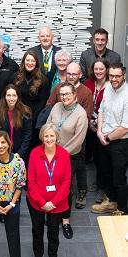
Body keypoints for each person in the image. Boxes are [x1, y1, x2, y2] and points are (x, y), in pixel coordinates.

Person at [47, 82, 88, 239]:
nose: (64, 97)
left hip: (69, 158)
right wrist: (49, 148)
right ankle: (52, 214)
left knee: (65, 190)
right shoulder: (56, 107)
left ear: (74, 95)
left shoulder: (81, 113)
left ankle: (65, 221)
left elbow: (78, 140)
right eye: (61, 94)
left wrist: (60, 155)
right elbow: (48, 127)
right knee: (51, 186)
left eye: (67, 94)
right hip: (51, 154)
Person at [27, 123, 71, 257]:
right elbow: (31, 181)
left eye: (52, 136)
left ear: (56, 137)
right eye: (46, 136)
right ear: (42, 137)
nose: (49, 139)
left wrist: (53, 202)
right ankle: (38, 254)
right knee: (37, 231)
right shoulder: (35, 153)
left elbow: (67, 181)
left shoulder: (64, 154)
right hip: (36, 202)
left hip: (57, 204)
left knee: (53, 232)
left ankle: (53, 254)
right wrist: (42, 202)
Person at [91, 62, 128, 216]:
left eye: (117, 76)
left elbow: (126, 127)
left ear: (124, 76)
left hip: (120, 142)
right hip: (104, 138)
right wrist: (99, 132)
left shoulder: (127, 95)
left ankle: (122, 209)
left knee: (118, 177)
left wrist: (107, 137)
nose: (114, 79)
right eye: (111, 75)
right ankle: (111, 201)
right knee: (106, 173)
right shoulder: (107, 89)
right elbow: (101, 112)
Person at [84, 58, 109, 201]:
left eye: (101, 69)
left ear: (106, 69)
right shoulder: (88, 83)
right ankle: (99, 182)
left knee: (102, 158)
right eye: (96, 69)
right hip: (89, 127)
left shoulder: (111, 85)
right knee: (94, 156)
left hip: (104, 127)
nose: (98, 71)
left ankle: (103, 187)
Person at [13, 50, 48, 147]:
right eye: (27, 60)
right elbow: (11, 97)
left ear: (36, 63)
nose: (30, 63)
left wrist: (32, 119)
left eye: (33, 61)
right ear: (23, 62)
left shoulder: (43, 80)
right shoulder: (15, 77)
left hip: (34, 119)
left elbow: (43, 102)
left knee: (31, 146)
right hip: (17, 116)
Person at [0, 84, 32, 163]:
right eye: (8, 95)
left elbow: (27, 135)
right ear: (4, 97)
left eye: (14, 95)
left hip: (20, 153)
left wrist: (19, 154)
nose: (11, 98)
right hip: (2, 152)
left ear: (18, 97)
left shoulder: (26, 112)